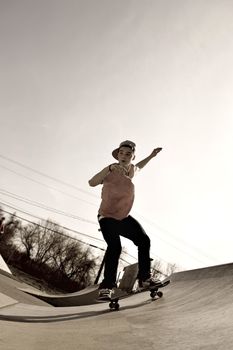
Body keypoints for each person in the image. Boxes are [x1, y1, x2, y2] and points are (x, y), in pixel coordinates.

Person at [88, 140, 163, 299]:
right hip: (106, 216)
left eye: (128, 154)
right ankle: (106, 287)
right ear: (117, 155)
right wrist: (108, 169)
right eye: (121, 153)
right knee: (115, 247)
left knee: (144, 240)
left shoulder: (132, 170)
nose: (124, 156)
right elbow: (91, 182)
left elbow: (140, 166)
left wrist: (151, 155)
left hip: (123, 217)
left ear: (132, 156)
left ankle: (144, 279)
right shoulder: (110, 169)